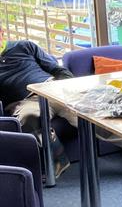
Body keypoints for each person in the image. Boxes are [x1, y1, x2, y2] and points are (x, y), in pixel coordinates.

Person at [0, 27, 75, 177]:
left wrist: (71, 86)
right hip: (26, 102)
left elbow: (56, 69)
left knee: (94, 112)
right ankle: (59, 160)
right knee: (29, 118)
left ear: (1, 32)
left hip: (53, 88)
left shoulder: (24, 46)